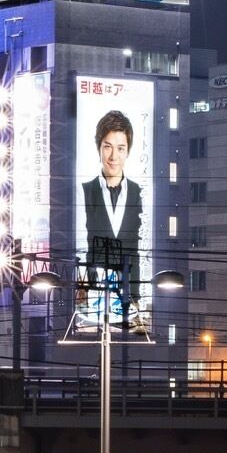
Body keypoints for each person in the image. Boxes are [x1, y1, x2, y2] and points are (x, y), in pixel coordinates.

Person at [79, 107, 145, 324]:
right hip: (93, 295)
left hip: (127, 298)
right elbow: (81, 245)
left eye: (120, 148)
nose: (113, 156)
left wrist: (135, 298)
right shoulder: (85, 190)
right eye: (107, 147)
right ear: (99, 148)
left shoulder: (138, 192)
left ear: (128, 151)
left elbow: (139, 250)